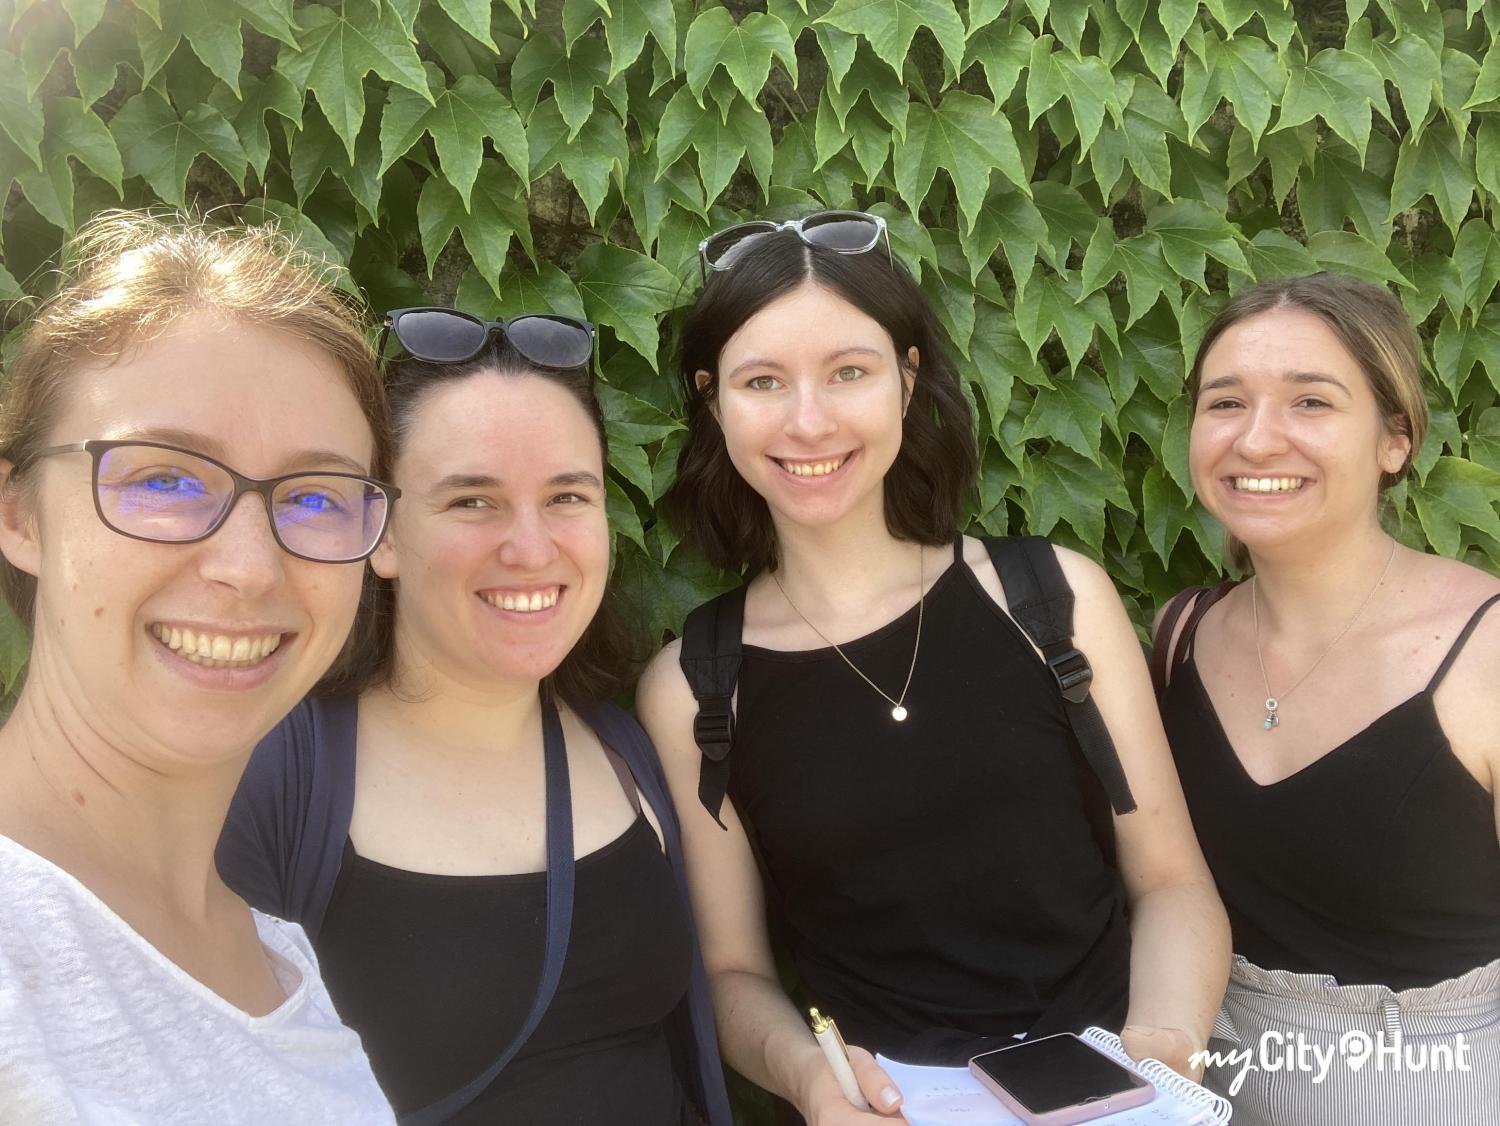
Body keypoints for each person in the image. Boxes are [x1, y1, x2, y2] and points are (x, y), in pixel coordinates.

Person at [636, 212, 1230, 1125]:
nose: (809, 420)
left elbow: (1173, 883)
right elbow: (733, 972)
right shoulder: (694, 687)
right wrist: (810, 1080)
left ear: (907, 381)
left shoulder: (1054, 599)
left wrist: (1155, 1055)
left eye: (849, 372)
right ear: (713, 401)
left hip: (1119, 1089)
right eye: (763, 381)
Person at [218, 307, 732, 1125]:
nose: (532, 548)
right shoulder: (278, 782)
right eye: (472, 501)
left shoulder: (620, 746)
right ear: (383, 534)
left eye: (567, 496)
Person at [0, 211, 398, 1123]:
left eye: (316, 497)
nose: (250, 568)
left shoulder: (278, 960)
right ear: (20, 515)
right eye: (163, 479)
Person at [1152, 272, 1500, 1123]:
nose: (1256, 440)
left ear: (1395, 440)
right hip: (1202, 1083)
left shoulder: (1487, 650)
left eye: (1311, 402)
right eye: (1225, 403)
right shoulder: (1178, 635)